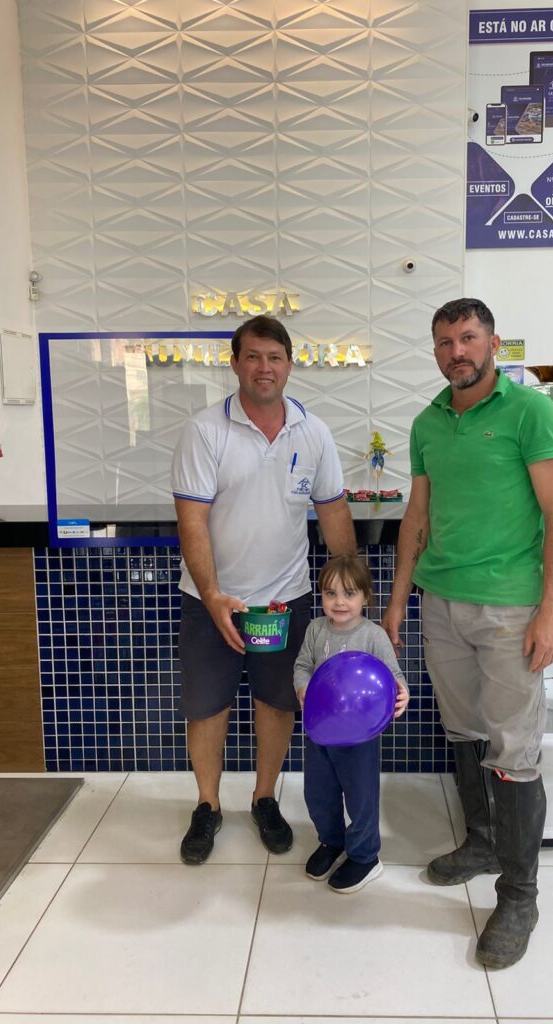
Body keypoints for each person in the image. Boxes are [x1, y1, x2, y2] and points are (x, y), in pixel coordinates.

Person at [382, 298, 553, 968]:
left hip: (511, 609)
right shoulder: (427, 422)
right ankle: (484, 841)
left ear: (492, 342)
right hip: (441, 603)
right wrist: (398, 601)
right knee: (464, 730)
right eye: (443, 341)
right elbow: (417, 517)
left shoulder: (530, 411)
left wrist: (551, 611)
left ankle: (519, 896)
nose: (455, 351)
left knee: (514, 749)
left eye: (467, 338)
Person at [171, 314, 356, 865]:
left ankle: (264, 797)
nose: (264, 367)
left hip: (285, 599)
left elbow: (333, 512)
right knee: (207, 706)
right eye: (252, 356)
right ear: (235, 364)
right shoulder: (205, 430)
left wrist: (351, 589)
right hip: (212, 600)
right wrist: (212, 595)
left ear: (290, 365)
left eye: (274, 357)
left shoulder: (313, 432)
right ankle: (207, 805)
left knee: (277, 701)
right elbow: (192, 521)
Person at [294, 555, 409, 893]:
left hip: (360, 736)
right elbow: (302, 665)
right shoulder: (316, 629)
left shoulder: (374, 636)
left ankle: (364, 856)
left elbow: (393, 676)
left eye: (349, 593)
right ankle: (332, 841)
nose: (339, 602)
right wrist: (303, 687)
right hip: (320, 730)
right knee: (318, 792)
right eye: (330, 593)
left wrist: (402, 693)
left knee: (361, 797)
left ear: (365, 596)